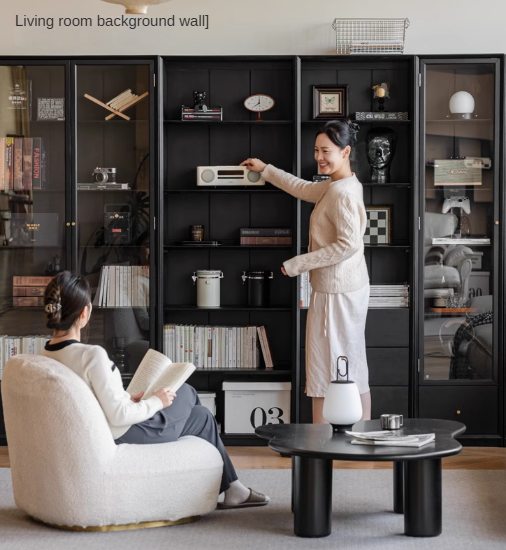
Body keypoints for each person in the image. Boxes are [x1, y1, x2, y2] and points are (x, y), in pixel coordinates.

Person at [42, 271, 269, 509]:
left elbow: (85, 400)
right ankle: (188, 478)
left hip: (105, 427)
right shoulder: (92, 355)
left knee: (202, 418)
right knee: (188, 391)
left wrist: (127, 397)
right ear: (84, 313)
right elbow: (119, 415)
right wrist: (156, 402)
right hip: (124, 432)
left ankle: (233, 489)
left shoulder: (46, 354)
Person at [240, 119, 371, 423]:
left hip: (338, 291)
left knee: (335, 365)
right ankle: (345, 435)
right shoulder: (336, 185)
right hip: (337, 287)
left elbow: (348, 245)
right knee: (345, 362)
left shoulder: (343, 193)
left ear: (346, 151)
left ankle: (332, 436)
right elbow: (302, 188)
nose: (319, 157)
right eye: (316, 150)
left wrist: (297, 264)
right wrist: (266, 169)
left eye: (326, 151)